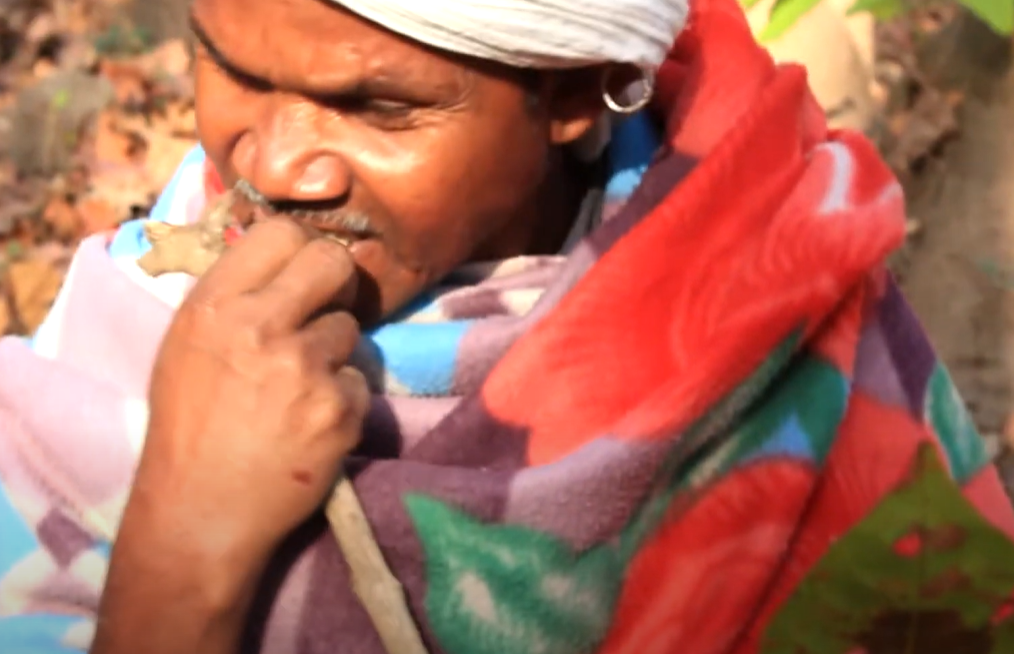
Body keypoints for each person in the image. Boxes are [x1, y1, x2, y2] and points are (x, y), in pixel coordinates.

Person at [2, 0, 1014, 652]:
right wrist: (184, 534)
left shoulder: (777, 329)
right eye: (234, 70)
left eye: (372, 106)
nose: (268, 167)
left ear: (571, 93)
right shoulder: (152, 282)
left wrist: (183, 561)